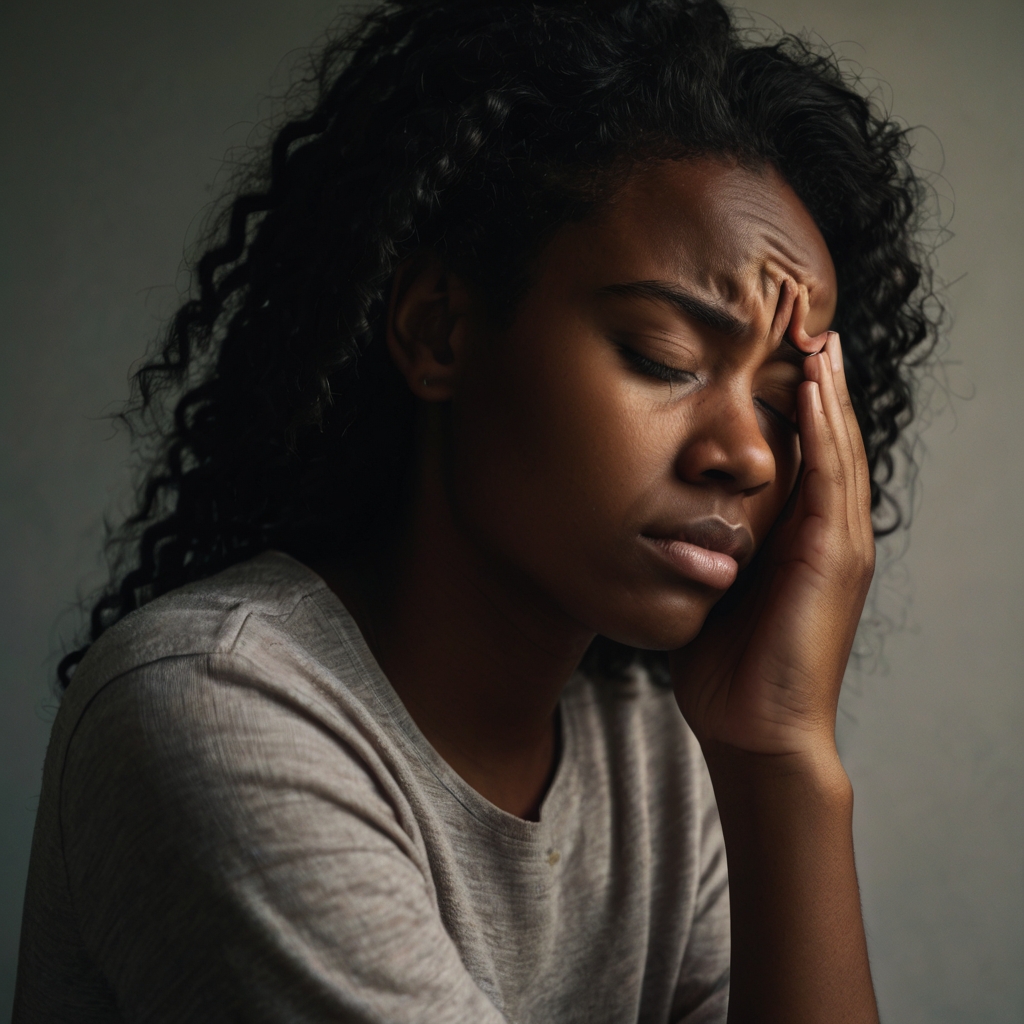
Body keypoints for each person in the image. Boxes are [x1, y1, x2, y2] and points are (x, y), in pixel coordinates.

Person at [13, 1, 940, 1021]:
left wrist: (781, 761)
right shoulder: (219, 706)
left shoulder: (657, 755)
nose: (749, 455)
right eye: (664, 359)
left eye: (779, 404)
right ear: (438, 330)